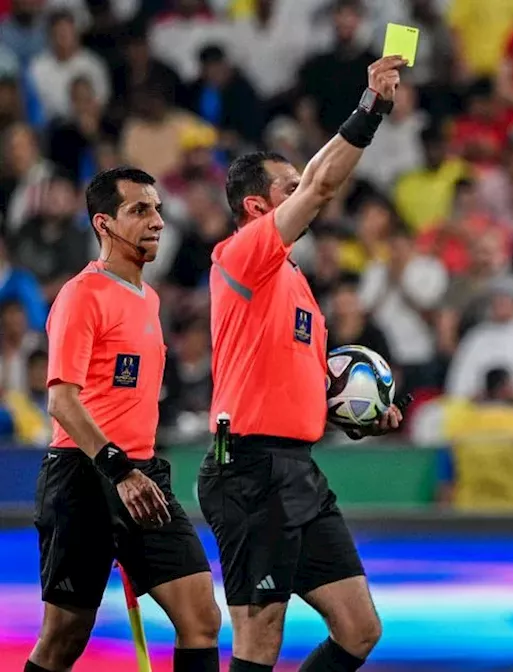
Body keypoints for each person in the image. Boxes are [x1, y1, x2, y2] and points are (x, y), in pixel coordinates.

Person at [198, 56, 407, 672]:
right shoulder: (240, 257)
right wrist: (372, 106)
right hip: (249, 469)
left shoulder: (293, 286)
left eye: (300, 183)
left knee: (359, 629)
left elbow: (310, 387)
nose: (306, 191)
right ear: (259, 208)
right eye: (288, 187)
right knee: (260, 639)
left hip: (297, 469)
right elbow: (322, 184)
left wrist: (363, 414)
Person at [29, 167, 221, 672]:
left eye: (157, 208)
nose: (156, 219)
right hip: (85, 476)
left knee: (201, 617)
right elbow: (63, 401)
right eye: (139, 210)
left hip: (143, 475)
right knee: (64, 638)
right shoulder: (81, 295)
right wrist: (119, 471)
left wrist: (135, 473)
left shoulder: (150, 299)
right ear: (104, 224)